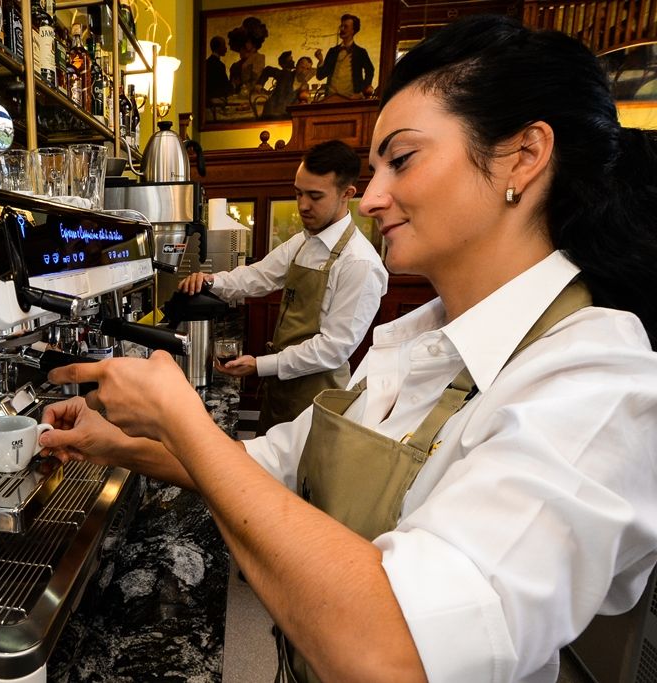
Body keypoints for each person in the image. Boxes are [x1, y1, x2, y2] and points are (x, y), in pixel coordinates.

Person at [38, 14, 657, 683]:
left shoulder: (595, 381)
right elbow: (268, 464)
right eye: (372, 169)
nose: (375, 197)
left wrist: (179, 413)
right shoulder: (420, 340)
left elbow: (397, 652)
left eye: (403, 158)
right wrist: (117, 443)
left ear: (524, 156)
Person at [178, 140, 388, 435]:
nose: (303, 205)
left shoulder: (360, 263)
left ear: (347, 194)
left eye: (315, 196)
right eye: (298, 193)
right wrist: (212, 280)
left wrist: (260, 365)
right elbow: (259, 276)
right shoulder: (304, 241)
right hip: (281, 387)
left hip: (318, 396)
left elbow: (333, 349)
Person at [314, 13, 375, 99]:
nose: (342, 29)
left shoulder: (360, 52)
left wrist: (361, 92)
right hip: (331, 99)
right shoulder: (333, 51)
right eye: (341, 26)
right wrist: (320, 61)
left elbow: (370, 71)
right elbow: (320, 76)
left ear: (353, 30)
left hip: (351, 100)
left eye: (345, 27)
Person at [205, 35, 233, 104]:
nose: (226, 49)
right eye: (224, 46)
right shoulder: (219, 65)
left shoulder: (206, 63)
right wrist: (233, 85)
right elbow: (223, 85)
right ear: (218, 48)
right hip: (215, 101)